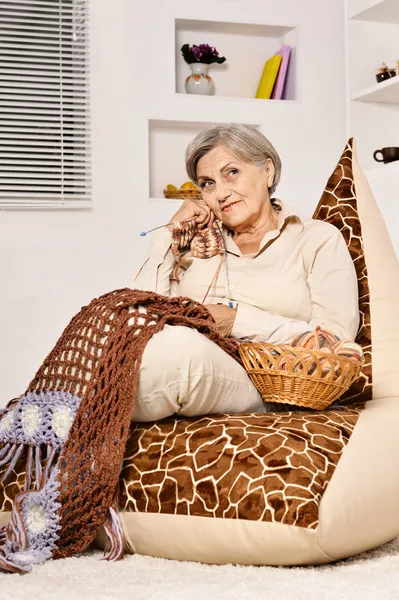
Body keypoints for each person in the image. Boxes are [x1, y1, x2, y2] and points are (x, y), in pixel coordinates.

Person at [130, 124, 360, 421]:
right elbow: (139, 316)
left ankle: (80, 414)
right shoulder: (201, 242)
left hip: (270, 383)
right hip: (186, 360)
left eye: (232, 173)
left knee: (180, 352)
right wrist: (168, 234)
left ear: (268, 172)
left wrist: (236, 320)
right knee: (121, 344)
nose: (221, 193)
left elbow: (335, 344)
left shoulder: (316, 239)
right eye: (208, 183)